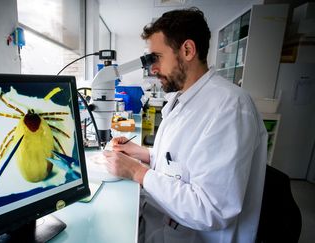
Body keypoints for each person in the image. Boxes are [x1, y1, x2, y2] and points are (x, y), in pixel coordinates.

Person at [103, 7, 268, 243]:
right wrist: (145, 154)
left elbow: (212, 209)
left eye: (156, 58)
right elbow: (184, 161)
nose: (153, 68)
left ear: (187, 50)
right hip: (163, 225)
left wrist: (136, 171)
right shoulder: (182, 98)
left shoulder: (230, 107)